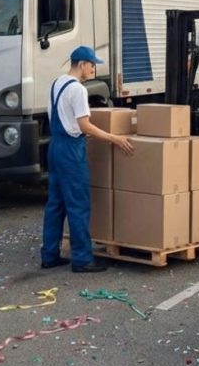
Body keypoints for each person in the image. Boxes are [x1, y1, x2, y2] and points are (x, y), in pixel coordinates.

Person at [41, 46, 134, 273]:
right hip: (71, 149)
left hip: (55, 146)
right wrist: (114, 138)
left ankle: (49, 255)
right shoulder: (78, 90)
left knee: (55, 204)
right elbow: (84, 126)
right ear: (82, 64)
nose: (93, 69)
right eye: (92, 65)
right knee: (78, 204)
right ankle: (82, 259)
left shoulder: (56, 84)